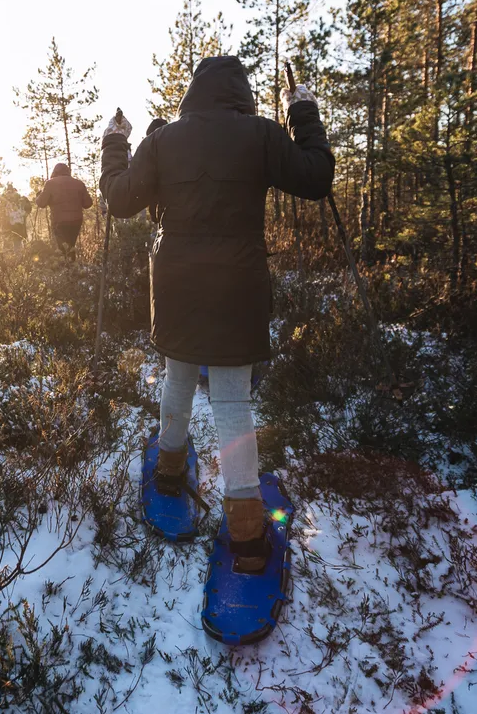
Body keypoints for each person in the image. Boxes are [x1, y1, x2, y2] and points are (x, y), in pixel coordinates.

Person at [98, 55, 333, 573]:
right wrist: (305, 113)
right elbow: (317, 178)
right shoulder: (262, 135)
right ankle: (248, 531)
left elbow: (118, 199)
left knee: (177, 377)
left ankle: (169, 472)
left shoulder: (165, 140)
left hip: (177, 284)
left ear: (193, 92)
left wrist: (114, 143)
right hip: (237, 285)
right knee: (231, 397)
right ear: (241, 92)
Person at [34, 162, 93, 261]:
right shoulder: (79, 183)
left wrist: (38, 196)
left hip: (59, 222)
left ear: (55, 172)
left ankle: (66, 271)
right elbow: (88, 204)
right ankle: (73, 268)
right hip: (76, 221)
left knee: (62, 248)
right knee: (71, 245)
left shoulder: (50, 183)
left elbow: (41, 203)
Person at [1, 183, 33, 254]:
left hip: (19, 225)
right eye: (8, 192)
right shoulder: (4, 201)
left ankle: (23, 256)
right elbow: (3, 214)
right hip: (11, 226)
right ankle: (17, 257)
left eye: (11, 192)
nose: (10, 194)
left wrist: (24, 214)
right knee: (11, 242)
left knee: (20, 241)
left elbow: (27, 209)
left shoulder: (20, 199)